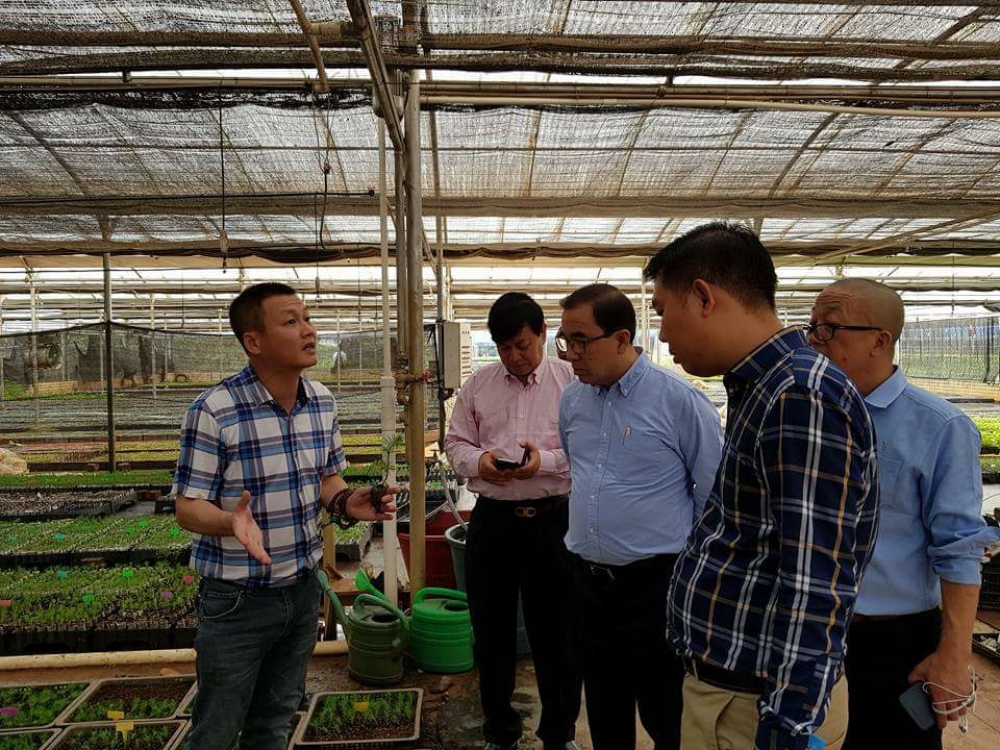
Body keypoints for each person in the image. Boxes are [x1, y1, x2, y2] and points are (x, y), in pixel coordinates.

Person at [649, 222, 879, 750]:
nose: (661, 334)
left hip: (754, 708)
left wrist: (789, 722)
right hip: (732, 694)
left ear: (703, 297)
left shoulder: (798, 393)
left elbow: (816, 577)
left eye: (663, 311)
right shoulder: (763, 385)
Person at [173, 282, 395, 750]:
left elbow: (327, 480)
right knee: (216, 731)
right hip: (237, 601)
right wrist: (229, 522)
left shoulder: (322, 402)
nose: (308, 330)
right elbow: (187, 508)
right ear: (253, 341)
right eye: (291, 321)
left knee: (274, 723)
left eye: (307, 318)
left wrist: (345, 501)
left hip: (301, 591)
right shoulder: (214, 411)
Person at [808, 278, 1000, 750]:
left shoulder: (939, 427)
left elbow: (959, 548)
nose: (815, 340)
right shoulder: (807, 415)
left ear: (880, 340)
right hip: (810, 632)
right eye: (811, 328)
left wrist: (953, 657)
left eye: (830, 328)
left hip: (892, 641)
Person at [557, 283, 723, 750]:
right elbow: (578, 469)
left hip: (656, 586)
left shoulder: (679, 401)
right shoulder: (572, 400)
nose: (571, 354)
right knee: (604, 706)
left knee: (666, 710)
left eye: (581, 340)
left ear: (621, 339)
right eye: (565, 340)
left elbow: (714, 496)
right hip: (588, 584)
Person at [444, 292, 583, 750]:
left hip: (554, 522)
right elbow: (455, 442)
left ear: (543, 333)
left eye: (522, 345)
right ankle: (500, 733)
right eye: (504, 348)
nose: (514, 357)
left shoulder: (572, 382)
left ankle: (559, 735)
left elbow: (588, 446)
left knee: (558, 636)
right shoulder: (479, 384)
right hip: (494, 523)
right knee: (492, 632)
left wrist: (544, 462)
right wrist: (480, 463)